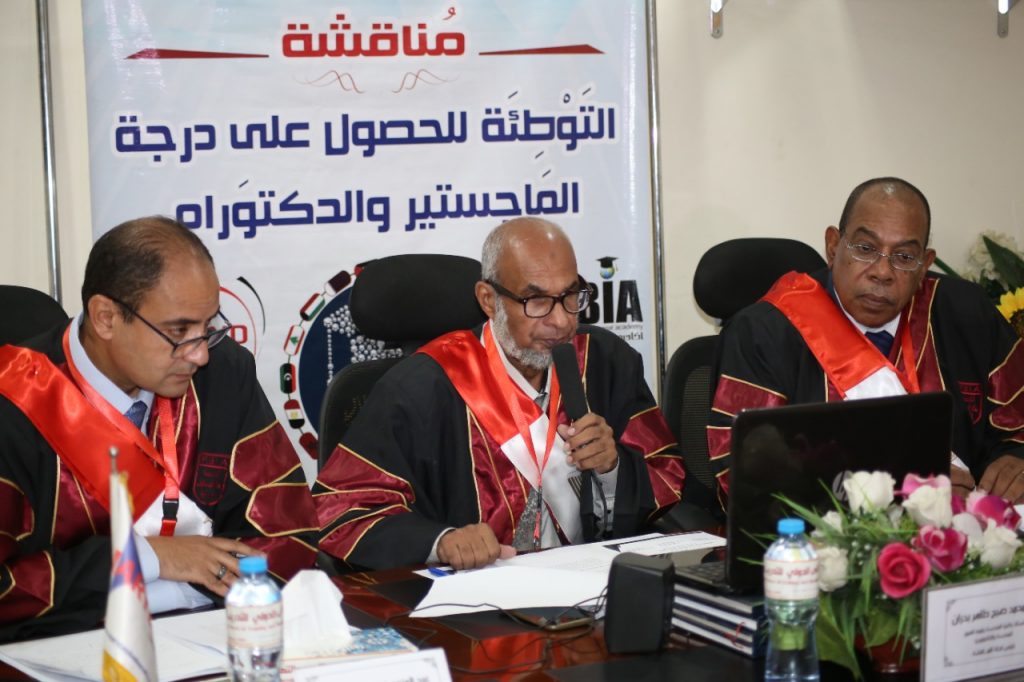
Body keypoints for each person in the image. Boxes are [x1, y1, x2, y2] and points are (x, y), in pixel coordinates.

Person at [0, 216, 318, 642]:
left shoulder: (224, 374)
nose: (201, 354)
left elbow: (284, 529)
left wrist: (181, 581)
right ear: (106, 318)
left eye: (208, 327)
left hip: (211, 642)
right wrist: (148, 558)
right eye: (179, 331)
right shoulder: (12, 403)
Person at [315, 217, 684, 570]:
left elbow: (666, 475)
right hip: (472, 599)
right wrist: (441, 542)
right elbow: (342, 510)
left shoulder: (606, 362)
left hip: (592, 585)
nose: (561, 321)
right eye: (536, 301)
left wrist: (613, 469)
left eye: (571, 295)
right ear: (488, 300)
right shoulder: (420, 388)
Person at [708, 177, 1024, 503]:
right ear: (833, 246)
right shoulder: (764, 334)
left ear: (924, 265)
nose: (882, 272)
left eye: (904, 257)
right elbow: (746, 474)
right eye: (865, 249)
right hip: (826, 532)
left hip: (965, 527)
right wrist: (898, 488)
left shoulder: (967, 315)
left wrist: (1017, 460)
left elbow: (1016, 426)